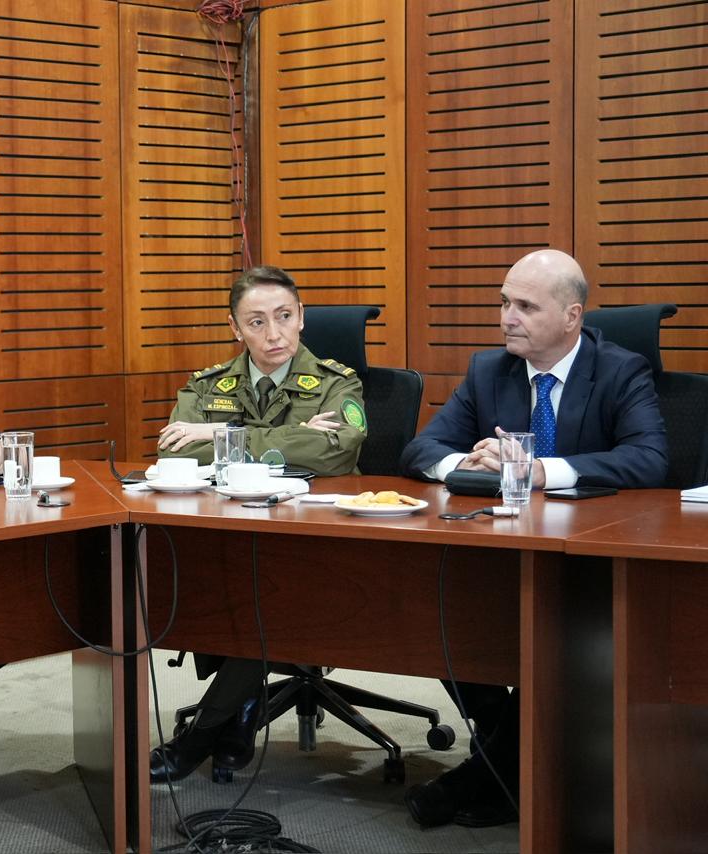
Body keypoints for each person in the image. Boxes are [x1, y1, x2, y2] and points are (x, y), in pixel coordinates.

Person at [399, 248, 667, 829]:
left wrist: (541, 469)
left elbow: (649, 458)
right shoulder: (488, 370)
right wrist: (470, 464)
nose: (507, 318)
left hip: (592, 561)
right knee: (439, 611)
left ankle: (484, 780)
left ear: (572, 317)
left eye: (525, 306)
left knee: (552, 638)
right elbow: (421, 449)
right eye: (504, 303)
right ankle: (513, 759)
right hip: (501, 553)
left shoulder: (620, 370)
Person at [149, 265, 367, 784]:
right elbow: (174, 452)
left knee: (267, 599)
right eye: (257, 322)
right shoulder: (208, 384)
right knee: (219, 585)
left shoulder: (339, 381)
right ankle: (243, 707)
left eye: (285, 316)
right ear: (235, 327)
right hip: (226, 532)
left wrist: (221, 435)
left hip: (313, 537)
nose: (274, 334)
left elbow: (337, 452)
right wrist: (295, 435)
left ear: (302, 317)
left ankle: (199, 734)